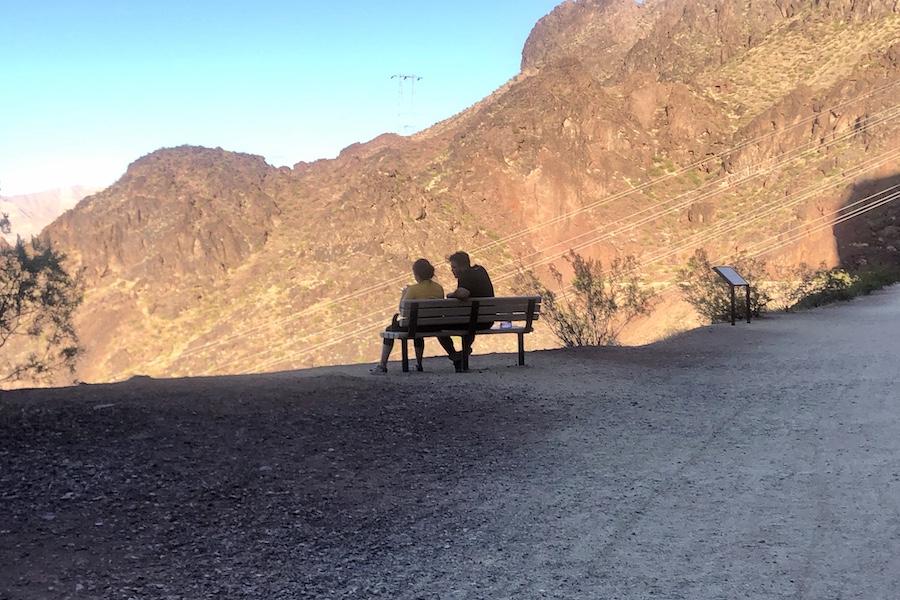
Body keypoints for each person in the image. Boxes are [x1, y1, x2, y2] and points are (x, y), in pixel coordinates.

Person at [372, 258, 444, 373]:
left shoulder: (413, 290)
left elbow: (402, 310)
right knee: (418, 326)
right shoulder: (438, 288)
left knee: (390, 329)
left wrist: (404, 293)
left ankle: (382, 365)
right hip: (434, 325)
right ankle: (418, 364)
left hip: (416, 326)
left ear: (416, 274)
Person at [438, 251, 495, 372]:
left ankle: (454, 354)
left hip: (473, 321)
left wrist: (452, 294)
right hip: (487, 320)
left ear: (462, 266)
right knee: (470, 318)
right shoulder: (480, 270)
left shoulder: (466, 275)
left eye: (454, 267)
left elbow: (463, 293)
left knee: (436, 324)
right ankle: (464, 351)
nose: (452, 271)